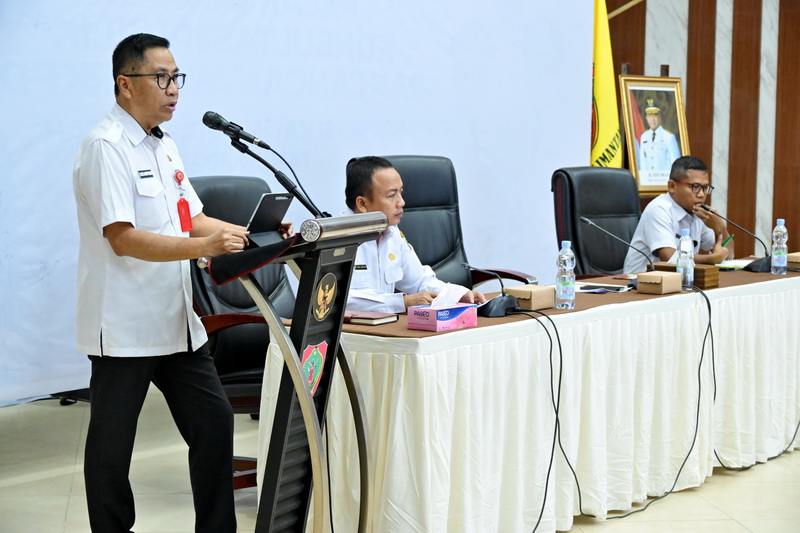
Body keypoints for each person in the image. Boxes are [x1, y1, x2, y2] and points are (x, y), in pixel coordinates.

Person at [73, 33, 288, 533]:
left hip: (176, 321)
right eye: (161, 78)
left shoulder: (164, 145)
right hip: (123, 326)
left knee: (213, 425)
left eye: (177, 78)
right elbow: (122, 239)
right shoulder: (105, 147)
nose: (173, 89)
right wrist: (204, 248)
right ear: (125, 85)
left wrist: (250, 236)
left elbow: (192, 218)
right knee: (111, 449)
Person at [343, 156, 486, 313]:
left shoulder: (392, 234)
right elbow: (337, 301)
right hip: (349, 334)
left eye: (400, 193)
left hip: (385, 329)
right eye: (392, 195)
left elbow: (419, 281)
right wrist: (401, 302)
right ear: (362, 204)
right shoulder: (335, 240)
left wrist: (458, 295)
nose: (402, 202)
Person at [623, 155, 734, 274]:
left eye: (705, 187)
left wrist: (720, 228)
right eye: (695, 187)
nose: (701, 194)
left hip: (680, 282)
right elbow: (669, 258)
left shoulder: (699, 213)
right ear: (672, 186)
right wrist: (710, 259)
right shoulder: (659, 209)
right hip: (638, 284)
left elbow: (729, 257)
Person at [638, 99, 681, 172]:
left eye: (655, 115)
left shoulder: (669, 137)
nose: (652, 119)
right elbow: (642, 163)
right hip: (648, 180)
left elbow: (676, 164)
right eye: (650, 115)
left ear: (660, 117)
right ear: (646, 118)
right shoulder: (644, 137)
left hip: (663, 181)